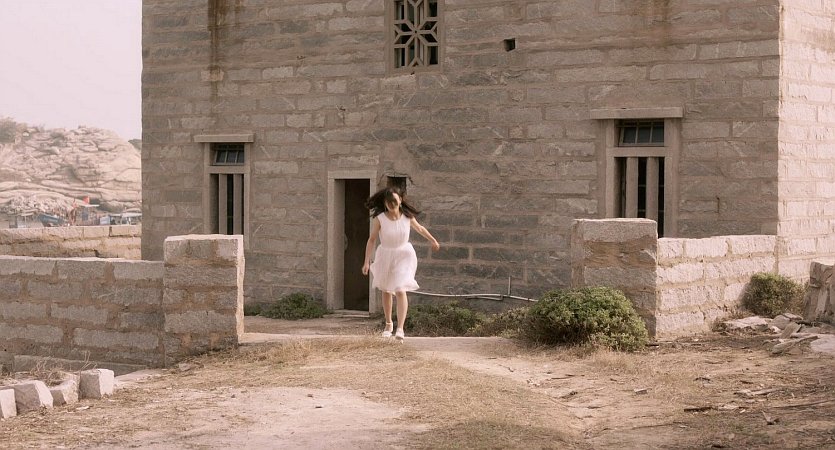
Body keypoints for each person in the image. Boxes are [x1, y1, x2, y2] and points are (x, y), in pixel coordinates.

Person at [362, 187, 440, 341]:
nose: (391, 205)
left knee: (400, 288)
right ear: (384, 203)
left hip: (404, 255)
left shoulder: (407, 217)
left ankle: (400, 328)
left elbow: (420, 228)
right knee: (386, 289)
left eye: (394, 201)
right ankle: (388, 324)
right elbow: (371, 240)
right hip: (385, 255)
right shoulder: (380, 219)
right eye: (388, 202)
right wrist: (366, 262)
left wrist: (433, 240)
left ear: (400, 201)